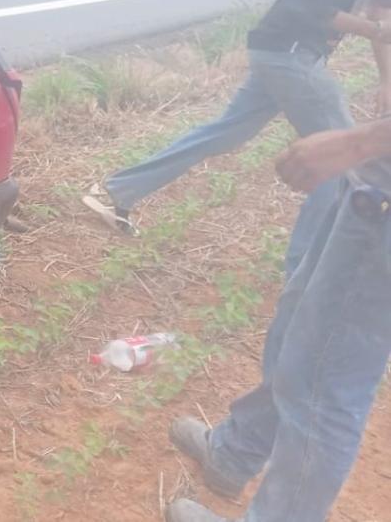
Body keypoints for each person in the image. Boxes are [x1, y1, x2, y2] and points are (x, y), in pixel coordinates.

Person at [82, 0, 391, 277]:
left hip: (278, 52)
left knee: (224, 132)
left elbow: (379, 17)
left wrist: (385, 77)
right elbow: (313, 6)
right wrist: (375, 30)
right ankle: (302, 271)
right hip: (292, 55)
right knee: (339, 160)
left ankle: (116, 191)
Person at [164, 114, 391, 521]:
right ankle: (235, 452)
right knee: (297, 330)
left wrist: (359, 142)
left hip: (380, 199)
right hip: (371, 183)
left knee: (325, 382)